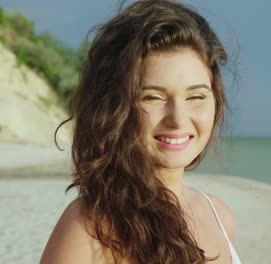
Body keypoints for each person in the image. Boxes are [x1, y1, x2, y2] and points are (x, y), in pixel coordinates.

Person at [39, 0, 241, 263]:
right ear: (114, 108)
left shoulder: (220, 215)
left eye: (195, 97)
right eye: (153, 97)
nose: (178, 119)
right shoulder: (90, 227)